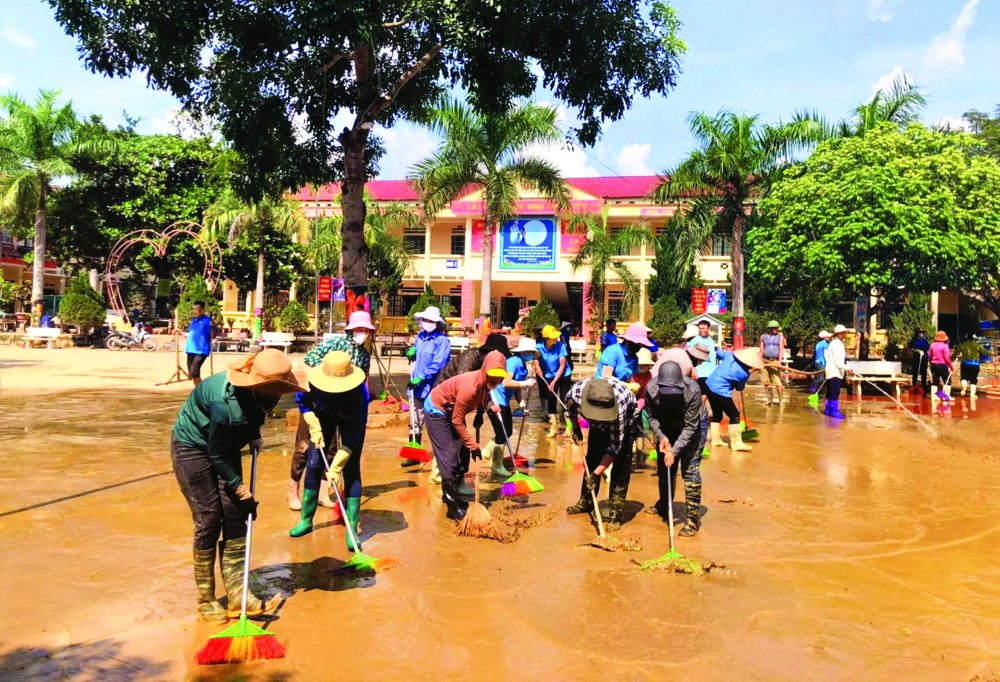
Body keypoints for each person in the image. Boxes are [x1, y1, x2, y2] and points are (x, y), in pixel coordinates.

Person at [171, 349, 303, 622]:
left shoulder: (271, 389)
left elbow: (256, 411)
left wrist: (253, 434)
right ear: (256, 382)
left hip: (227, 442)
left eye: (277, 388)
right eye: (269, 388)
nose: (274, 393)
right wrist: (240, 488)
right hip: (193, 447)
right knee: (209, 518)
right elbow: (216, 454)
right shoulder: (223, 402)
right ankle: (206, 599)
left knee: (235, 515)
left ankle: (237, 593)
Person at [287, 310, 375, 512]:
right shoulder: (335, 343)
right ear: (351, 329)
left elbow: (363, 379)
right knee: (305, 447)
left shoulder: (364, 354)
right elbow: (310, 358)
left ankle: (323, 493)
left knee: (333, 449)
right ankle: (293, 490)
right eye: (358, 329)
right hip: (321, 398)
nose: (362, 333)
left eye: (366, 330)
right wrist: (328, 377)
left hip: (344, 405)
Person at [289, 351, 369, 545]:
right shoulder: (314, 383)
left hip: (349, 420)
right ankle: (306, 520)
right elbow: (303, 401)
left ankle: (352, 528)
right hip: (323, 417)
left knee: (351, 470)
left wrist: (336, 467)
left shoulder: (359, 395)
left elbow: (353, 436)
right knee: (314, 464)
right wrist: (311, 420)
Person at [424, 350, 509, 520]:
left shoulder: (485, 383)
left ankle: (451, 497)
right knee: (448, 456)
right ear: (484, 370)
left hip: (452, 411)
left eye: (499, 377)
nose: (495, 380)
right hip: (437, 410)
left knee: (457, 453)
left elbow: (483, 395)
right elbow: (457, 420)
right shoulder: (469, 387)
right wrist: (473, 446)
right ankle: (452, 507)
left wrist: (488, 407)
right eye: (492, 375)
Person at [431, 332, 512, 487]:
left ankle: (450, 476)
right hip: (444, 398)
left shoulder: (489, 369)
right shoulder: (472, 357)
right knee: (451, 439)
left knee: (456, 439)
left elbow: (483, 391)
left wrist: (481, 413)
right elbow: (465, 384)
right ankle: (440, 475)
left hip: (461, 399)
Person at [565, 376, 639, 532]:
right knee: (591, 459)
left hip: (626, 423)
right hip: (597, 425)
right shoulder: (575, 393)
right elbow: (570, 410)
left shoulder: (619, 408)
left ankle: (615, 515)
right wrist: (576, 429)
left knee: (620, 469)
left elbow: (614, 447)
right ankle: (586, 502)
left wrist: (597, 474)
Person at [643, 361, 705, 536]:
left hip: (692, 426)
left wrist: (675, 450)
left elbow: (690, 427)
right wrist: (661, 437)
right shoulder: (651, 389)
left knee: (690, 471)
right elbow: (652, 417)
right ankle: (664, 505)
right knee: (664, 468)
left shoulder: (692, 390)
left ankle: (692, 520)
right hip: (666, 425)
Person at [403, 306, 451, 464]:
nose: (427, 323)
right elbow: (415, 350)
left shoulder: (442, 341)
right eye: (426, 320)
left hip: (432, 388)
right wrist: (411, 351)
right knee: (414, 419)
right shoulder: (420, 337)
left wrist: (422, 377)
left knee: (434, 421)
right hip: (415, 387)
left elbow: (439, 364)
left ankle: (441, 456)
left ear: (437, 323)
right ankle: (414, 454)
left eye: (431, 320)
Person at [487, 337, 537, 477]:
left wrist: (522, 404)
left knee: (508, 432)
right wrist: (525, 383)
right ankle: (497, 465)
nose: (530, 355)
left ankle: (487, 452)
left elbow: (517, 389)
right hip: (495, 399)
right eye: (528, 352)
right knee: (502, 433)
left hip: (505, 401)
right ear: (522, 352)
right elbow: (506, 382)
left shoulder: (523, 367)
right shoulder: (513, 362)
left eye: (532, 353)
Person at [704, 346, 764, 451]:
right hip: (720, 391)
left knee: (717, 413)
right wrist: (749, 373)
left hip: (709, 385)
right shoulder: (743, 373)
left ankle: (715, 440)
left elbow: (718, 353)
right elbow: (740, 387)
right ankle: (736, 443)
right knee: (734, 414)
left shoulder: (730, 355)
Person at [535, 324, 571, 438]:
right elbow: (535, 357)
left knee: (565, 401)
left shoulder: (561, 346)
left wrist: (554, 381)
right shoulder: (539, 347)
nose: (556, 338)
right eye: (553, 337)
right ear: (546, 338)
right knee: (551, 400)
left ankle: (569, 428)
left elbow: (562, 366)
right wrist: (538, 368)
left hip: (564, 375)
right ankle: (553, 428)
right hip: (548, 375)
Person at [823, 324, 852, 419]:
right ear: (839, 334)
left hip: (833, 370)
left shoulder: (837, 343)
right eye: (843, 333)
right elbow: (837, 361)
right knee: (834, 391)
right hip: (834, 371)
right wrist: (847, 368)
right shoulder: (836, 344)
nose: (845, 334)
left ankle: (828, 409)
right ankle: (834, 411)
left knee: (830, 391)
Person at [185, 301, 213, 386]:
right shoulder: (194, 321)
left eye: (197, 309)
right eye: (193, 309)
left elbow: (213, 334)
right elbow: (191, 335)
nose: (194, 311)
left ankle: (201, 392)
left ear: (202, 310)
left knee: (194, 372)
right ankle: (197, 390)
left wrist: (213, 326)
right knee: (192, 373)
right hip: (190, 350)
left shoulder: (207, 320)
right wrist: (179, 332)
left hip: (201, 350)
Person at [688, 320, 718, 395]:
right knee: (702, 394)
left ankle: (700, 407)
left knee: (708, 394)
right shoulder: (695, 340)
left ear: (709, 329)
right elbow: (689, 357)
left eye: (704, 328)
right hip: (701, 373)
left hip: (711, 373)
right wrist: (693, 370)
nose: (702, 330)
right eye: (700, 328)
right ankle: (698, 407)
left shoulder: (710, 340)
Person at [759, 321, 785, 405]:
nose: (775, 330)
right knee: (766, 382)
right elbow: (761, 349)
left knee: (778, 383)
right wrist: (759, 360)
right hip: (765, 361)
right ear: (770, 328)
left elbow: (781, 349)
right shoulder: (763, 337)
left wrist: (780, 361)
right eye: (774, 328)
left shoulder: (780, 337)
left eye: (776, 328)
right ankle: (769, 400)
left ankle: (780, 401)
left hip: (775, 361)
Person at [928, 330, 954, 400]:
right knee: (947, 380)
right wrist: (951, 366)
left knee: (935, 380)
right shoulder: (945, 346)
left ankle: (934, 396)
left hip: (933, 365)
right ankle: (946, 396)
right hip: (941, 365)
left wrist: (931, 363)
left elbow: (929, 356)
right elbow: (946, 358)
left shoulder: (932, 345)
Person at [908, 328, 930, 395]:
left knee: (924, 373)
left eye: (922, 333)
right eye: (920, 333)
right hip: (916, 358)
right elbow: (911, 348)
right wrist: (917, 351)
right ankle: (915, 385)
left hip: (924, 358)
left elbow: (928, 348)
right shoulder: (914, 340)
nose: (921, 334)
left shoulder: (925, 341)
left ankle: (924, 386)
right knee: (915, 372)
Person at [810, 331, 831, 397]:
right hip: (821, 363)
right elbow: (828, 354)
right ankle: (813, 392)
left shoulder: (818, 343)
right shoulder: (825, 344)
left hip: (817, 362)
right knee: (819, 379)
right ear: (825, 337)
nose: (829, 337)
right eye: (827, 336)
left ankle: (816, 392)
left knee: (821, 378)